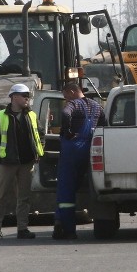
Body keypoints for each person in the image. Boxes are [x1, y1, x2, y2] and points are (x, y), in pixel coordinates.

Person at [0, 83, 44, 241]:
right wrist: (2, 154)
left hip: (27, 162)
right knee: (1, 196)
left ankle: (22, 229)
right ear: (13, 97)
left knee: (24, 197)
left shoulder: (31, 115)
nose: (27, 98)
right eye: (24, 95)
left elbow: (40, 135)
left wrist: (39, 151)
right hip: (7, 163)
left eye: (28, 96)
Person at [53, 81, 107, 240]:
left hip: (72, 150)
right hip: (90, 150)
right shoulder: (97, 106)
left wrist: (68, 131)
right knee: (85, 185)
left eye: (65, 95)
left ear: (71, 91)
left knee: (65, 190)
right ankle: (61, 221)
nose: (65, 99)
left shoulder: (73, 104)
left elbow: (65, 114)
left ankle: (68, 230)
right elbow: (104, 124)